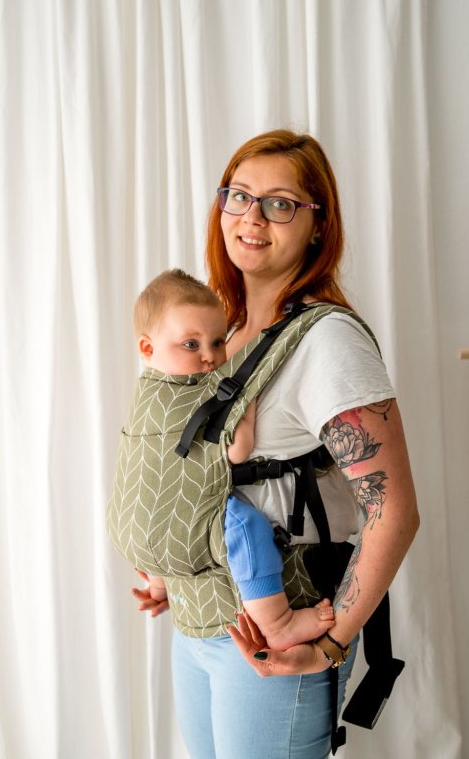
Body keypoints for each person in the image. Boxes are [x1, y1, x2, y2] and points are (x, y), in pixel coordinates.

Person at [130, 129, 421, 759]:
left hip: (280, 632)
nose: (252, 217)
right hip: (202, 621)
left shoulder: (327, 341)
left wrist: (332, 642)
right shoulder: (222, 331)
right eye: (239, 196)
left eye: (280, 203)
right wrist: (173, 564)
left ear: (318, 226)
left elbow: (393, 509)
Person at [131, 268, 336, 651]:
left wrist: (160, 583)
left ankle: (158, 583)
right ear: (147, 348)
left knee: (169, 516)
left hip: (143, 523)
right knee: (246, 525)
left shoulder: (147, 393)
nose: (210, 356)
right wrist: (246, 404)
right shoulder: (192, 391)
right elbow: (235, 452)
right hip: (181, 519)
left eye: (218, 342)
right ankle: (278, 623)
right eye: (190, 344)